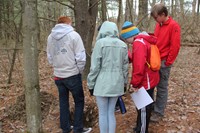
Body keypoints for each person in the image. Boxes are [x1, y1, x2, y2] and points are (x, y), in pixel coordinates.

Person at [47, 16, 92, 133]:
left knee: (63, 102)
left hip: (58, 75)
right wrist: (79, 71)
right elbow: (81, 57)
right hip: (72, 74)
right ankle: (78, 128)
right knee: (79, 101)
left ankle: (65, 128)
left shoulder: (50, 37)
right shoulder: (74, 36)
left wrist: (57, 66)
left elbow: (50, 58)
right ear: (68, 23)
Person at [87, 21, 129, 133]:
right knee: (111, 113)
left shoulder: (100, 43)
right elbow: (125, 68)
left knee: (103, 113)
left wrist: (90, 84)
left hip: (102, 84)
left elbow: (95, 67)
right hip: (117, 83)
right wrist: (125, 83)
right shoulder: (123, 45)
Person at [120, 21, 160, 133]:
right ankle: (139, 127)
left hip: (144, 81)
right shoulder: (144, 39)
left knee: (143, 108)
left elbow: (139, 66)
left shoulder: (138, 43)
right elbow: (141, 59)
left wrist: (135, 84)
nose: (127, 42)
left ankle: (142, 130)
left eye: (125, 39)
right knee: (145, 106)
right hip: (151, 78)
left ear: (129, 36)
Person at [150, 3, 181, 122]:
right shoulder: (159, 25)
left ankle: (159, 112)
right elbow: (157, 39)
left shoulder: (174, 26)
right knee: (152, 85)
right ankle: (153, 106)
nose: (155, 20)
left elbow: (175, 46)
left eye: (156, 17)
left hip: (164, 62)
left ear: (163, 14)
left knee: (162, 87)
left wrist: (168, 62)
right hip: (155, 60)